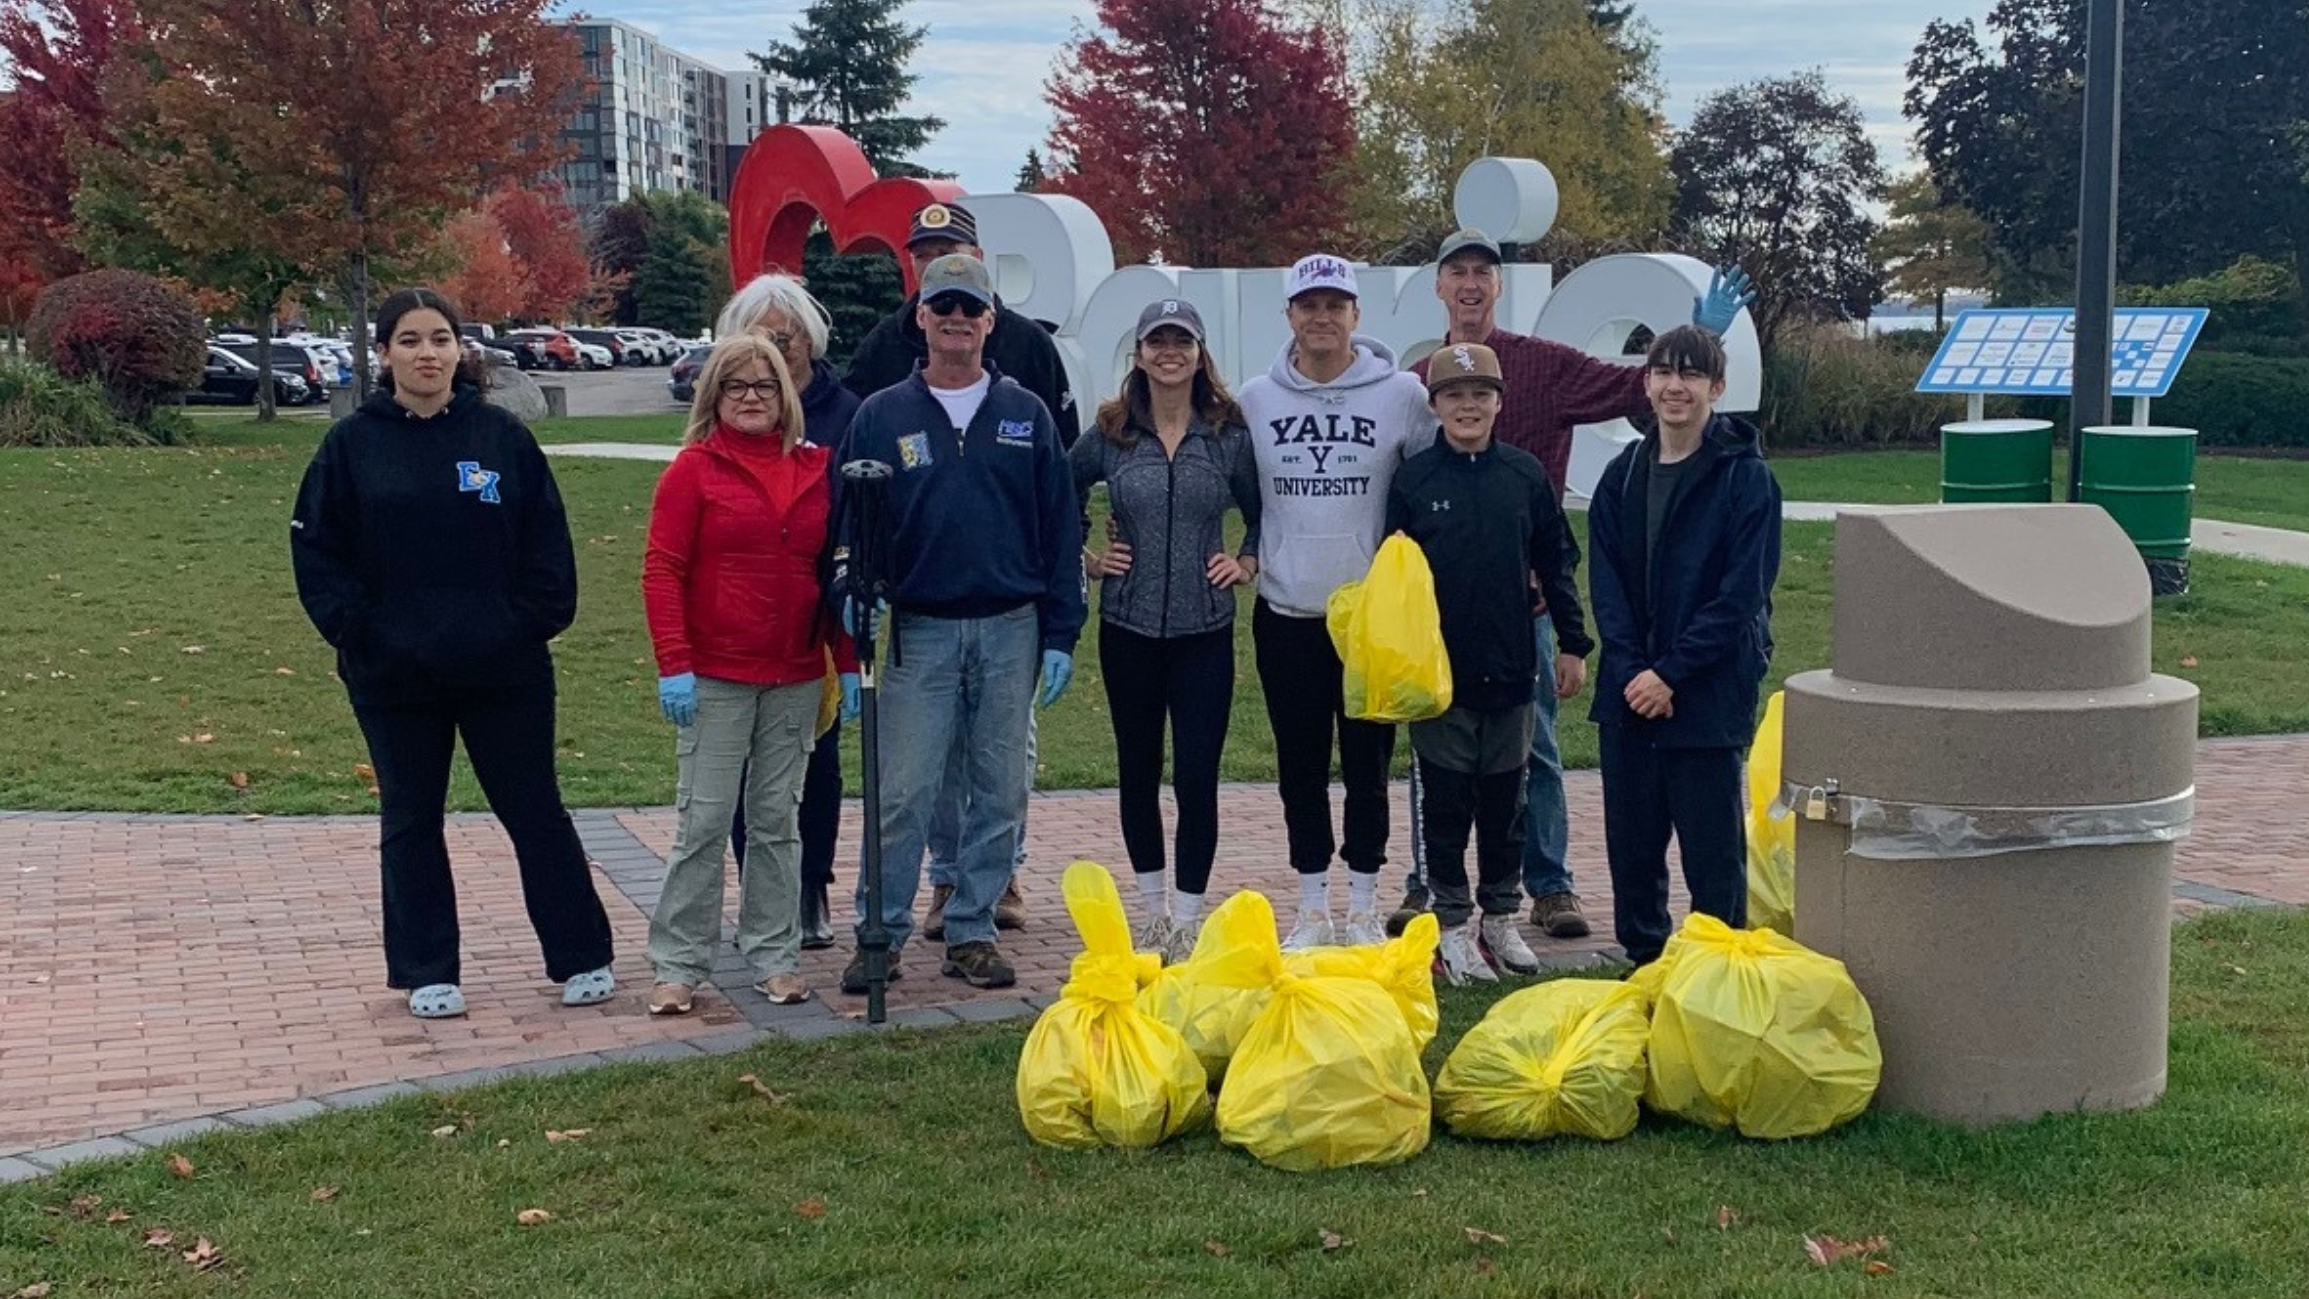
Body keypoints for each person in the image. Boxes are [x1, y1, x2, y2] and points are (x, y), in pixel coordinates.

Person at [1390, 228, 1756, 943]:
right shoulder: (1415, 379)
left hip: (1522, 605)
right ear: (1437, 286)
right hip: (1433, 620)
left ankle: (1548, 884)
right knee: (1432, 754)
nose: (1469, 284)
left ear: (1499, 287)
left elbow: (1635, 387)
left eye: (1482, 273)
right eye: (1456, 272)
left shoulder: (1544, 367)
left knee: (1535, 750)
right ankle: (1428, 885)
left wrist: (1690, 335)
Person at [289, 287, 616, 1020]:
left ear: (459, 349)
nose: (427, 353)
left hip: (503, 668)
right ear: (383, 354)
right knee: (411, 818)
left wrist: (526, 623)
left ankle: (581, 953)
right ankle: (426, 966)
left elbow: (547, 546)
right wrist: (359, 631)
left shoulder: (500, 438)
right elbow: (317, 551)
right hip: (395, 675)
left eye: (439, 338)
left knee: (534, 809)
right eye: (409, 340)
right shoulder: (351, 445)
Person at [829, 253, 1084, 992]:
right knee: (902, 792)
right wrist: (850, 589)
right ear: (920, 317)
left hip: (1011, 626)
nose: (956, 319)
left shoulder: (1024, 412)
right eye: (942, 306)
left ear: (990, 321)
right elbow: (847, 524)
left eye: (970, 308)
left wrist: (1062, 631)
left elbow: (1059, 529)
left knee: (999, 789)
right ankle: (880, 929)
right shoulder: (881, 415)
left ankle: (971, 927)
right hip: (920, 630)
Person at [641, 335, 858, 1012]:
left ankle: (774, 952)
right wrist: (674, 662)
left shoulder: (818, 468)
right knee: (703, 821)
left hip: (794, 674)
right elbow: (662, 569)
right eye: (735, 385)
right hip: (714, 675)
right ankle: (679, 962)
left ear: (785, 395)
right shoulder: (693, 470)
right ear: (713, 396)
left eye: (764, 385)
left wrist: (845, 665)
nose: (751, 397)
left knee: (774, 820)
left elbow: (835, 577)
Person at [1239, 253, 1435, 950]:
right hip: (1287, 610)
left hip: (1368, 620)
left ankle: (1361, 903)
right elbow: (1237, 492)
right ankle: (1310, 905)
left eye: (1334, 305)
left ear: (1356, 314)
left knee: (1366, 768)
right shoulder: (1256, 398)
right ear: (1289, 315)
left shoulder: (1402, 396)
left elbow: (1431, 484)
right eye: (1307, 305)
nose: (1321, 317)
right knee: (1299, 767)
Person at [1385, 343, 1593, 984]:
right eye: (1454, 395)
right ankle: (1448, 923)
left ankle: (1500, 918)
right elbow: (1391, 580)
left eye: (1480, 394)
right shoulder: (1416, 481)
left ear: (1499, 403)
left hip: (1511, 669)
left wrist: (1572, 642)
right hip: (1439, 677)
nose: (1468, 406)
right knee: (1446, 804)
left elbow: (1556, 561)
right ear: (1436, 405)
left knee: (1506, 803)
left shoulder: (1523, 475)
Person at [1587, 325, 1782, 968]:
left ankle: (1716, 973)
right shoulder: (1621, 477)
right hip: (1630, 697)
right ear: (1646, 383)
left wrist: (1670, 674)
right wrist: (1635, 672)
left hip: (1705, 694)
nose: (1676, 386)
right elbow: (1607, 588)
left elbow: (1741, 595)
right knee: (1634, 852)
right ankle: (1644, 968)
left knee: (1712, 856)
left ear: (1716, 388)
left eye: (1691, 375)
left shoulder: (1745, 480)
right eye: (1663, 372)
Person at [1074, 299, 1261, 963]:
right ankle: (1151, 913)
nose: (1169, 352)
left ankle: (1187, 917)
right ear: (1140, 353)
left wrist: (1243, 560)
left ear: (1199, 352)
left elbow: (1263, 510)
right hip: (1127, 625)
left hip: (1203, 631)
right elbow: (1060, 491)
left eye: (1182, 340)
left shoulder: (1227, 434)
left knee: (1196, 777)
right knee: (1137, 770)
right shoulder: (1111, 431)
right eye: (1157, 340)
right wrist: (1088, 557)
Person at [714, 275, 864, 951]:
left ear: (809, 337)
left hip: (819, 617)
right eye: (760, 338)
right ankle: (760, 891)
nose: (775, 350)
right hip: (741, 619)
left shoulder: (847, 414)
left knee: (818, 760)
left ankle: (810, 886)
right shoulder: (727, 413)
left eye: (785, 336)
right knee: (746, 764)